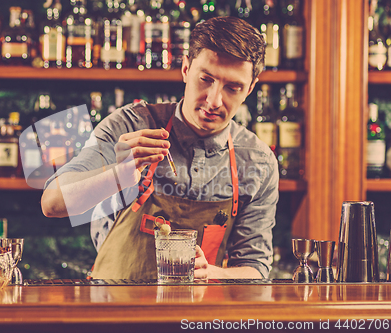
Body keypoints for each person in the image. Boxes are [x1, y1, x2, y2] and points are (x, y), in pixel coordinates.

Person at [41, 16, 278, 280]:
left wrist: (211, 272)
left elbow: (255, 269)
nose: (214, 101)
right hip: (112, 309)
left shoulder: (257, 160)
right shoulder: (130, 124)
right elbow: (52, 204)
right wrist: (119, 175)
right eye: (206, 79)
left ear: (250, 89)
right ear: (186, 69)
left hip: (194, 316)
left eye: (233, 88)